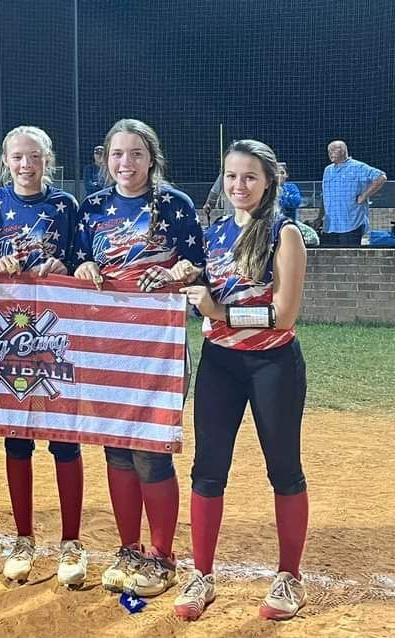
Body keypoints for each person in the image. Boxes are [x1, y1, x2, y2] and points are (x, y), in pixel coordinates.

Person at [176, 139, 309, 621]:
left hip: (273, 364)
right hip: (221, 364)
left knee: (284, 469)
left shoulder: (284, 233)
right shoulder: (213, 233)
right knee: (208, 469)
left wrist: (219, 312)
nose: (239, 185)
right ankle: (202, 574)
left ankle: (289, 577)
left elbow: (284, 314)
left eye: (250, 177)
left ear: (268, 181)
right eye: (232, 176)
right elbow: (205, 286)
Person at [73, 118, 205, 598]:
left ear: (152, 158)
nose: (125, 163)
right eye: (116, 154)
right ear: (105, 159)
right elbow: (75, 263)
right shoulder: (91, 208)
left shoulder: (175, 205)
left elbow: (201, 268)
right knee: (115, 448)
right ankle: (128, 547)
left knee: (149, 451)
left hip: (157, 347)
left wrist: (181, 273)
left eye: (134, 154)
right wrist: (83, 264)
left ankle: (162, 555)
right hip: (106, 345)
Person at [0, 125, 87, 587]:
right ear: (6, 160)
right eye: (17, 157)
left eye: (34, 157)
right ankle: (23, 538)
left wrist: (65, 266)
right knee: (16, 436)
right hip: (8, 332)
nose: (26, 165)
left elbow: (83, 261)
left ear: (49, 159)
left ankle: (70, 541)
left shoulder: (66, 206)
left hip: (55, 330)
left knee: (64, 437)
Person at [316, 140, 386, 246]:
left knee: (348, 258)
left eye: (333, 150)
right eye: (329, 151)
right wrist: (319, 217)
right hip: (330, 226)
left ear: (343, 151)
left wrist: (363, 196)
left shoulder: (358, 167)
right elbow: (325, 196)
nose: (330, 153)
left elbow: (381, 177)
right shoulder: (327, 170)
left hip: (351, 224)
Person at [277, 162, 319, 247]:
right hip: (270, 224)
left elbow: (295, 202)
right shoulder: (267, 188)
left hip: (290, 222)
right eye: (276, 172)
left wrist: (280, 198)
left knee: (313, 237)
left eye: (282, 173)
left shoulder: (291, 188)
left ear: (287, 175)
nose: (279, 176)